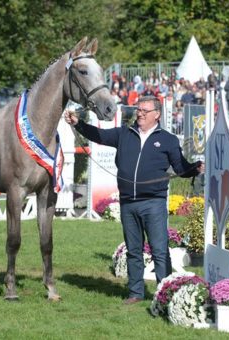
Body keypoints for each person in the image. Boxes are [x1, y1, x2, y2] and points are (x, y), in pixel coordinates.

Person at [64, 96, 204, 304]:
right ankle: (135, 293)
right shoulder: (124, 134)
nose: (139, 113)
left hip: (154, 203)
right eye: (138, 109)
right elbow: (99, 135)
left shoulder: (168, 140)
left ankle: (164, 294)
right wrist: (79, 124)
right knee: (133, 250)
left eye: (145, 111)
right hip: (128, 202)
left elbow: (181, 167)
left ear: (156, 114)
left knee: (159, 250)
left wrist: (194, 168)